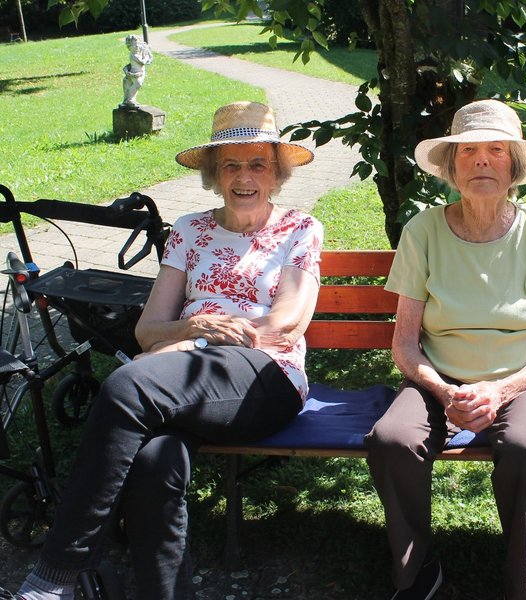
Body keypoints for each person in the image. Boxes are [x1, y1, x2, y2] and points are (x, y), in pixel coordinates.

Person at [2, 101, 323, 600]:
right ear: (213, 173)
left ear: (277, 173)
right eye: (231, 165)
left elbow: (283, 326)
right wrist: (192, 327)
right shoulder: (189, 230)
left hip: (266, 376)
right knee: (155, 461)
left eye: (258, 164)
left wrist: (196, 338)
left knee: (127, 384)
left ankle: (54, 578)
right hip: (180, 375)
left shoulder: (299, 228)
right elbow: (149, 331)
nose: (244, 177)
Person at [365, 99, 526, 600]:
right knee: (392, 440)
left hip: (525, 380)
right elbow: (404, 343)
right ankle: (417, 573)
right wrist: (444, 391)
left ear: (514, 166)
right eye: (468, 151)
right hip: (438, 378)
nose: (482, 160)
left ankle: (520, 581)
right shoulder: (422, 230)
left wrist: (500, 391)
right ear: (451, 167)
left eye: (497, 150)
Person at [120, 34, 152, 107]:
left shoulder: (137, 54)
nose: (137, 46)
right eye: (134, 45)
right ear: (129, 47)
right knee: (138, 84)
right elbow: (143, 62)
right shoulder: (134, 55)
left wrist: (146, 52)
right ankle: (129, 99)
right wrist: (146, 56)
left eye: (138, 44)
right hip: (135, 73)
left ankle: (132, 99)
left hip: (140, 73)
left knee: (136, 85)